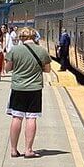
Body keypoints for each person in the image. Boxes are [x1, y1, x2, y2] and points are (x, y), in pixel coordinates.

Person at [6, 27, 51, 158]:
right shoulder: (42, 51)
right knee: (31, 117)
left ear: (21, 37)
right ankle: (28, 150)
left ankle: (13, 150)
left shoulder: (14, 50)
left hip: (18, 88)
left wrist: (18, 66)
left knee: (17, 117)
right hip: (34, 89)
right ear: (34, 37)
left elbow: (7, 68)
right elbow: (47, 70)